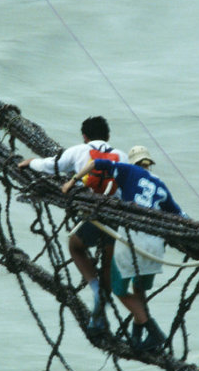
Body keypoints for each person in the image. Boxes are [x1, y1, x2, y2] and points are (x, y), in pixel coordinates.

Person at [62, 145, 184, 353]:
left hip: (134, 241)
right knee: (139, 290)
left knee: (118, 288)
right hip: (155, 248)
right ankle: (137, 338)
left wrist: (72, 181)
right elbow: (181, 216)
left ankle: (152, 331)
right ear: (149, 164)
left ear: (132, 162)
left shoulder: (128, 171)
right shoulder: (161, 186)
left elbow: (96, 164)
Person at [18, 116, 128, 337]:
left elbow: (51, 166)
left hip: (93, 211)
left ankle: (96, 290)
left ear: (85, 137)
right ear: (108, 136)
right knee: (107, 261)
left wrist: (31, 162)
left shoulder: (78, 151)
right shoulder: (123, 156)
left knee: (75, 246)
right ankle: (100, 317)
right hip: (116, 213)